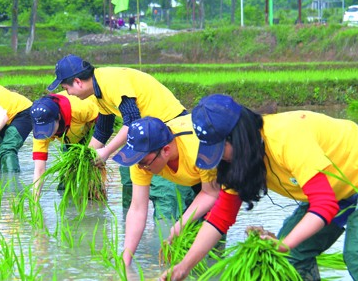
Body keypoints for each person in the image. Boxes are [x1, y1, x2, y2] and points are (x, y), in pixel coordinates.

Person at [160, 94, 358, 281]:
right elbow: (220, 218)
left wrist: (285, 242)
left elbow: (324, 205)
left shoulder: (286, 137)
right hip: (338, 186)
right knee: (289, 259)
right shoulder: (241, 160)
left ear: (237, 137)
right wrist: (184, 267)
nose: (219, 159)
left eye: (219, 150)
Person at [47, 54, 195, 219]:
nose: (68, 93)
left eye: (67, 88)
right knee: (127, 172)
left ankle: (167, 226)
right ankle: (131, 223)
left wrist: (106, 152)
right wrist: (85, 157)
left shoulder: (111, 82)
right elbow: (104, 129)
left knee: (163, 188)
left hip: (166, 129)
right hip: (143, 134)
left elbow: (132, 120)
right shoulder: (97, 92)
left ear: (78, 82)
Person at [113, 115, 219, 266]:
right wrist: (125, 260)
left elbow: (211, 193)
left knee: (212, 244)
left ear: (166, 150)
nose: (140, 168)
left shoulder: (198, 149)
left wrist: (179, 225)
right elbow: (137, 209)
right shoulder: (142, 162)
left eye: (143, 162)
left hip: (227, 161)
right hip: (198, 176)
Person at [30, 92, 99, 198]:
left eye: (49, 128)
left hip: (91, 130)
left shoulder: (79, 107)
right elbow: (39, 169)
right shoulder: (40, 132)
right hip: (68, 138)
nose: (47, 135)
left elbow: (103, 123)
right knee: (65, 183)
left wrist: (92, 149)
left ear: (58, 117)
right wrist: (34, 200)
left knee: (91, 181)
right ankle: (69, 209)